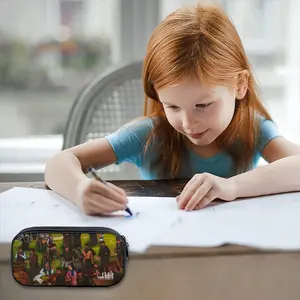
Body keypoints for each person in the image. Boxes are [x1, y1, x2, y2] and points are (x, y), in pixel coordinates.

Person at [44, 3, 300, 214]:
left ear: (240, 85)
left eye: (203, 105)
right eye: (172, 106)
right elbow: (58, 163)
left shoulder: (253, 129)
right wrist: (79, 190)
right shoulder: (147, 135)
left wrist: (230, 187)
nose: (188, 123)